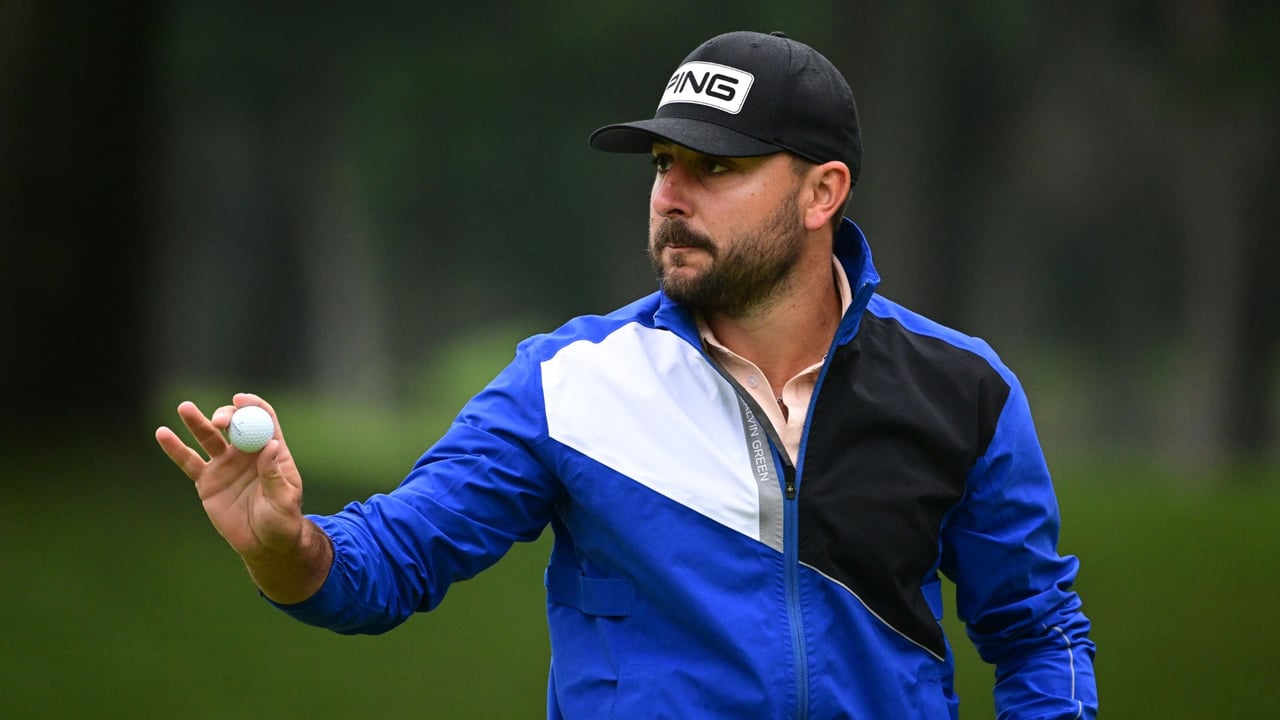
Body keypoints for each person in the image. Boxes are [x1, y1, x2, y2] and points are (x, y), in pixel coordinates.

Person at [156, 30, 1097, 719]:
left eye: (715, 167)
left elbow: (1038, 632)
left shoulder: (964, 389)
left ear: (823, 192)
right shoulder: (567, 383)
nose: (671, 195)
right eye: (662, 161)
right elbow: (390, 564)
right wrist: (283, 546)